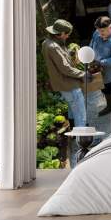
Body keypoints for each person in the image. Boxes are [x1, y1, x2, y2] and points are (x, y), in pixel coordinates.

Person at [42, 19, 92, 168]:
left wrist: (68, 53)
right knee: (80, 113)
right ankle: (82, 145)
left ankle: (75, 136)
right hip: (68, 84)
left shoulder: (47, 43)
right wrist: (83, 74)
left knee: (72, 109)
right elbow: (65, 69)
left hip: (63, 85)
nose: (67, 37)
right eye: (67, 35)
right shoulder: (53, 47)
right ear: (60, 34)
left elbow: (60, 61)